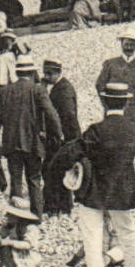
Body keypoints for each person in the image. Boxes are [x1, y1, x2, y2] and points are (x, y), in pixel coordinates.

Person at [58, 81, 135, 267]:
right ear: (126, 103)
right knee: (128, 232)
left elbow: (70, 152)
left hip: (95, 191)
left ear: (103, 101)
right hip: (122, 190)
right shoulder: (134, 131)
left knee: (93, 240)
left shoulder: (96, 130)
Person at [0, 55, 63, 216]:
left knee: (15, 180)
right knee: (34, 180)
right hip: (33, 143)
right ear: (32, 72)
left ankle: (16, 217)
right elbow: (52, 114)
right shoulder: (38, 90)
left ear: (17, 72)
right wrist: (58, 135)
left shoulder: (5, 91)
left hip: (10, 143)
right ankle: (36, 215)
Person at [41, 60, 80, 217]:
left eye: (48, 74)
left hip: (62, 138)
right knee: (59, 170)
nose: (46, 76)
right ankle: (63, 205)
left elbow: (69, 116)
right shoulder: (61, 87)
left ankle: (55, 206)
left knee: (53, 170)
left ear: (56, 72)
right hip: (61, 137)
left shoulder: (62, 90)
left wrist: (67, 138)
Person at [94, 30, 135, 125]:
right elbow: (100, 85)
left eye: (132, 45)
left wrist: (134, 103)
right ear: (121, 44)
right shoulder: (110, 64)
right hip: (112, 111)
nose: (129, 48)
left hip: (132, 113)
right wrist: (106, 104)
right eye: (126, 44)